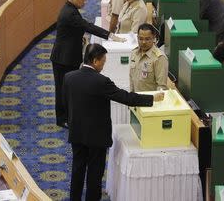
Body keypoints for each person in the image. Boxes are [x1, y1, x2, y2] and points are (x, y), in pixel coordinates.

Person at [64, 43, 161, 201]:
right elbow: (126, 98)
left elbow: (65, 105)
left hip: (77, 132)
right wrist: (151, 98)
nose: (104, 65)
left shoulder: (69, 77)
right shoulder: (101, 81)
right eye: (103, 61)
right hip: (96, 137)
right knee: (95, 175)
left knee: (77, 170)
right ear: (95, 61)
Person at [50, 0, 124, 128]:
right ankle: (62, 119)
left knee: (66, 88)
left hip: (66, 56)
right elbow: (87, 26)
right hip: (63, 59)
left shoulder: (70, 9)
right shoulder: (70, 13)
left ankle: (66, 116)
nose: (85, 2)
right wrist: (109, 35)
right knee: (62, 89)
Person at [130, 23, 168, 92]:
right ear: (137, 37)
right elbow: (132, 79)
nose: (143, 42)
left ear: (154, 38)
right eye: (141, 39)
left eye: (147, 39)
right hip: (135, 99)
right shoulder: (134, 53)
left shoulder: (159, 58)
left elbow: (161, 86)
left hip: (150, 101)